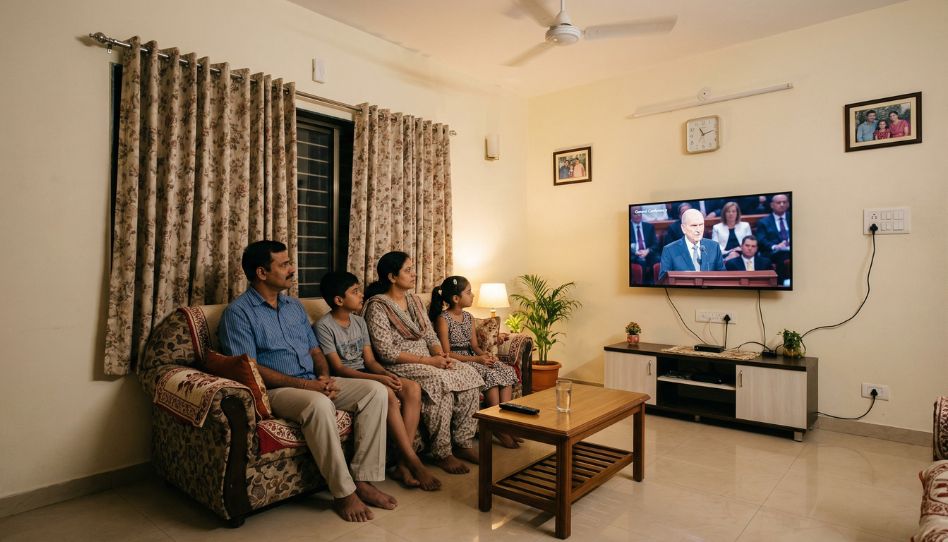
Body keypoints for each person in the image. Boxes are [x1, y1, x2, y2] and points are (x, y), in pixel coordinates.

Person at [219, 241, 395, 522]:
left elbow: (315, 351)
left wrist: (324, 377)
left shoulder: (294, 306)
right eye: (284, 264)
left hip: (312, 381)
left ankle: (363, 479)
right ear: (262, 273)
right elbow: (249, 368)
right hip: (278, 390)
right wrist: (308, 386)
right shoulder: (238, 313)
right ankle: (344, 493)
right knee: (318, 404)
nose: (292, 269)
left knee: (375, 390)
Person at [315, 271, 441, 492]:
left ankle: (402, 464)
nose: (361, 295)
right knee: (388, 393)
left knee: (411, 388)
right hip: (345, 378)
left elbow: (370, 361)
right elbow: (339, 368)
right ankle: (413, 461)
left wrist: (386, 374)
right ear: (339, 300)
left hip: (367, 372)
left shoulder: (359, 322)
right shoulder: (324, 326)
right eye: (355, 292)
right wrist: (378, 378)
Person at [362, 251, 484, 475]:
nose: (414, 274)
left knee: (469, 373)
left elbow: (429, 335)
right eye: (408, 270)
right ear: (392, 277)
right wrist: (430, 361)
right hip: (399, 363)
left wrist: (441, 356)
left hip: (429, 360)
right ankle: (442, 453)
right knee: (439, 383)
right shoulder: (377, 306)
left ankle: (463, 442)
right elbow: (386, 351)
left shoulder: (415, 301)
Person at [429, 276, 520, 448]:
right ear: (456, 298)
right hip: (458, 360)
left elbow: (475, 346)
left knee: (505, 370)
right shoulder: (443, 319)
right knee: (490, 375)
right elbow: (446, 353)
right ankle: (496, 425)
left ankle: (505, 423)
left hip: (473, 356)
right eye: (469, 292)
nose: (473, 295)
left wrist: (486, 356)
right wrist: (477, 360)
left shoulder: (469, 317)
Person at [658, 209, 725, 281]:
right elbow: (663, 280)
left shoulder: (714, 247)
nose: (698, 230)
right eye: (694, 225)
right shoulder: (669, 250)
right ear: (683, 228)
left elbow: (723, 277)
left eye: (701, 225)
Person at [754, 193, 792, 284]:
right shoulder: (763, 222)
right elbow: (761, 240)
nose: (782, 204)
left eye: (784, 202)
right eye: (779, 202)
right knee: (782, 255)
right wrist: (775, 246)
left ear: (788, 204)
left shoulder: (793, 217)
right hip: (774, 252)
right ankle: (782, 283)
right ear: (772, 205)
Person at [629, 206, 660, 283]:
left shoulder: (649, 227)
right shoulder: (626, 227)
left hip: (647, 253)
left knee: (657, 259)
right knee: (641, 262)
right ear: (630, 215)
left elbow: (655, 244)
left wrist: (647, 251)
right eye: (635, 213)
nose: (638, 215)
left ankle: (655, 284)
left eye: (640, 213)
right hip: (634, 255)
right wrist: (635, 252)